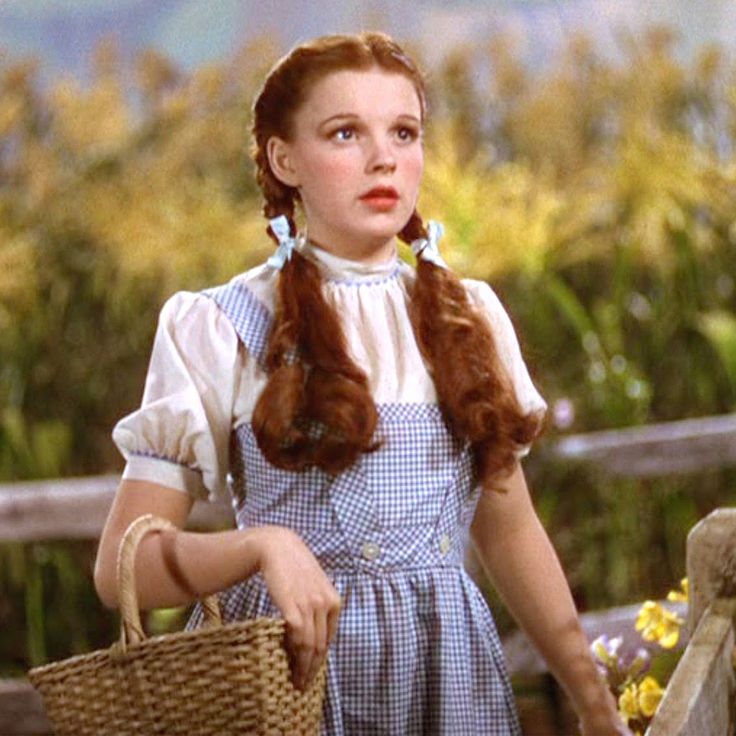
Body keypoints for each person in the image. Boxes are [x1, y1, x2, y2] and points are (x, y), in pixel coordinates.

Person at [94, 31, 630, 735]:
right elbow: (120, 570)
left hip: (448, 684)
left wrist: (594, 706)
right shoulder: (222, 327)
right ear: (285, 160)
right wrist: (262, 547)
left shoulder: (468, 319)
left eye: (403, 132)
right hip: (290, 686)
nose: (384, 159)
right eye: (345, 132)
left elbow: (511, 531)